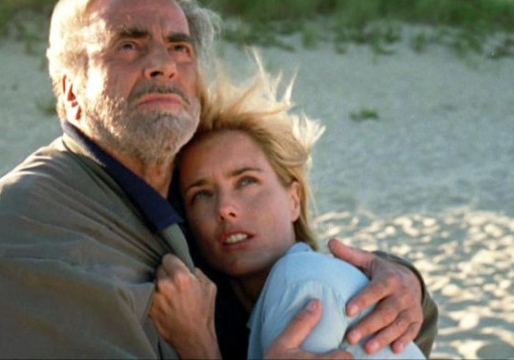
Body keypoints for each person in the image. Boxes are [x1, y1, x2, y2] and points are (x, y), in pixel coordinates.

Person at [0, 0, 437, 359]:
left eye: (179, 47)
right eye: (128, 45)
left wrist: (399, 282)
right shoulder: (26, 231)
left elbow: (342, 314)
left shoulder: (185, 190)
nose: (162, 64)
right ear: (71, 91)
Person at [150, 58, 429, 359]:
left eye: (246, 181)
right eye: (201, 195)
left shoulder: (304, 283)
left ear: (294, 199)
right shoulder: (226, 308)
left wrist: (197, 346)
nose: (225, 208)